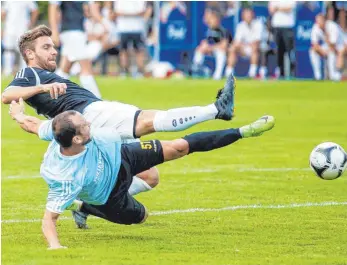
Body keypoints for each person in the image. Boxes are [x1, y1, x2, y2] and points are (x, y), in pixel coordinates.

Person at [1, 25, 236, 228]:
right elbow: (7, 94)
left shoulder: (40, 75)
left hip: (93, 122)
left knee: (150, 176)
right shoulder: (29, 73)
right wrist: (41, 89)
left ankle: (88, 206)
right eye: (46, 47)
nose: (54, 51)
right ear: (29, 53)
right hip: (90, 114)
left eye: (53, 46)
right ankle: (216, 109)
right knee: (147, 120)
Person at [9, 98, 275, 250]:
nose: (90, 123)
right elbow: (48, 219)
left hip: (122, 155)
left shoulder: (56, 128)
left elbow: (33, 125)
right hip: (109, 196)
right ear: (76, 139)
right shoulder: (65, 177)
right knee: (143, 217)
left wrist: (19, 114)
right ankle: (84, 207)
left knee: (177, 150)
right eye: (84, 125)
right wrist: (56, 248)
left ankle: (242, 132)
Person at [48, 1, 102, 98]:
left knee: (66, 67)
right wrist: (54, 31)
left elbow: (92, 10)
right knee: (86, 68)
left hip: (74, 32)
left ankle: (50, 93)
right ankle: (96, 99)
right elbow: (53, 8)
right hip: (73, 33)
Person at [192, 7, 231, 80]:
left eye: (213, 19)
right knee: (199, 50)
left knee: (221, 53)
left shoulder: (223, 30)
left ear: (217, 20)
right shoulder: (208, 30)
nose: (211, 21)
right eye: (211, 19)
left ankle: (217, 75)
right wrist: (204, 47)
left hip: (220, 51)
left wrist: (211, 48)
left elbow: (224, 45)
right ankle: (196, 70)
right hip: (209, 50)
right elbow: (204, 42)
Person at [1, 1, 39, 76]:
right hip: (9, 29)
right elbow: (3, 13)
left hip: (23, 29)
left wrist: (31, 24)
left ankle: (24, 71)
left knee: (23, 51)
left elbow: (35, 10)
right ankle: (7, 71)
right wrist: (2, 27)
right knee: (8, 50)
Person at [113, 0, 149, 78]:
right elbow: (117, 12)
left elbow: (142, 12)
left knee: (139, 50)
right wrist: (134, 14)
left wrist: (126, 13)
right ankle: (124, 71)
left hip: (137, 28)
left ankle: (140, 72)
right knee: (123, 50)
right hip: (123, 28)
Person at [225, 8, 265, 79]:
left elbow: (257, 42)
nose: (248, 17)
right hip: (244, 49)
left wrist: (243, 44)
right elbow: (236, 42)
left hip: (258, 49)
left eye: (249, 15)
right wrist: (243, 45)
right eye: (246, 15)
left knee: (254, 48)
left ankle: (252, 73)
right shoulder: (240, 25)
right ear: (243, 16)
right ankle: (229, 73)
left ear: (253, 15)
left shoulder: (258, 24)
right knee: (232, 48)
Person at [309, 14, 345, 81]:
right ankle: (318, 76)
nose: (318, 23)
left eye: (320, 21)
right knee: (312, 50)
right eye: (317, 21)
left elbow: (333, 45)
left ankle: (334, 75)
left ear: (324, 20)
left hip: (341, 44)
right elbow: (314, 44)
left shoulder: (332, 26)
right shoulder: (316, 27)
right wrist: (322, 51)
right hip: (328, 47)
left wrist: (326, 36)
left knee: (332, 52)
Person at [268, 1, 296, 79]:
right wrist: (281, 8)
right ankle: (280, 72)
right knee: (279, 51)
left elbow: (289, 8)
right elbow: (271, 10)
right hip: (276, 27)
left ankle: (292, 72)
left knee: (289, 50)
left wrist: (278, 8)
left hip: (288, 26)